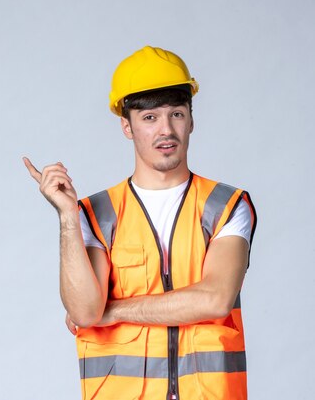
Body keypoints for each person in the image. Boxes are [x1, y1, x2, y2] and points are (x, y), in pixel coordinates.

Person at [23, 46, 257, 400]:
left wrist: (112, 311)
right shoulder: (96, 214)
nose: (166, 130)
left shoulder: (224, 206)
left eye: (176, 114)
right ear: (126, 125)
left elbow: (215, 298)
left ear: (191, 120)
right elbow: (85, 311)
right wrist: (68, 217)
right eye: (149, 118)